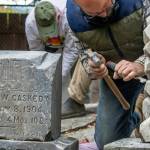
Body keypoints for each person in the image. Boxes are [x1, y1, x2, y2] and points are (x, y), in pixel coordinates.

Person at [66, 0, 149, 148]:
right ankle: (138, 114)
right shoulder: (74, 19)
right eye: (95, 14)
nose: (104, 15)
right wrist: (93, 68)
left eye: (107, 6)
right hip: (117, 77)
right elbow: (85, 54)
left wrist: (140, 65)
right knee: (107, 141)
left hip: (146, 66)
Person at [25, 0, 92, 119]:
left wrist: (57, 76)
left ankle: (76, 102)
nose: (49, 33)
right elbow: (36, 51)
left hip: (74, 43)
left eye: (51, 28)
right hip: (51, 49)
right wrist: (42, 76)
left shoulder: (69, 16)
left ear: (58, 16)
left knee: (76, 65)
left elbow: (72, 51)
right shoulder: (30, 23)